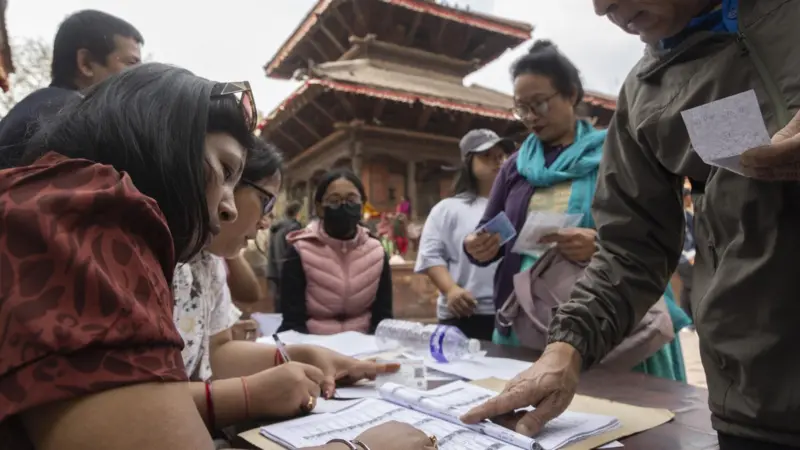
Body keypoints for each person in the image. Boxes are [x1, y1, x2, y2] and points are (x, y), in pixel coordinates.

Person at [0, 63, 432, 450]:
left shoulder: (67, 210)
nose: (227, 208)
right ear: (158, 140)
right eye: (224, 173)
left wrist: (292, 358)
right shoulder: (81, 220)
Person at [461, 2, 800, 449]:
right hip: (756, 398)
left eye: (540, 103)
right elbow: (630, 249)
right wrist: (566, 350)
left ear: (571, 96)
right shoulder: (644, 97)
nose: (603, 8)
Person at [463, 40, 689, 381]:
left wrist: (600, 244)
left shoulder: (615, 152)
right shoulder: (515, 167)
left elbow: (653, 231)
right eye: (520, 108)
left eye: (538, 103)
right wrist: (476, 244)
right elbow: (488, 232)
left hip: (604, 304)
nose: (530, 117)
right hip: (526, 311)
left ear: (570, 94)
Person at [173, 140, 402, 447]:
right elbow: (134, 402)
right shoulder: (152, 260)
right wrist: (248, 395)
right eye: (266, 202)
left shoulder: (208, 260)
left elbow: (217, 350)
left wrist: (301, 355)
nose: (267, 221)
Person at [0, 10, 143, 169]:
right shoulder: (74, 120)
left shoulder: (37, 106)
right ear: (86, 63)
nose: (141, 76)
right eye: (131, 64)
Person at [415, 129, 508, 340]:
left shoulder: (515, 206)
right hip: (462, 312)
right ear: (468, 162)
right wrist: (451, 290)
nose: (497, 162)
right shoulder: (447, 209)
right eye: (486, 156)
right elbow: (431, 255)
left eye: (500, 156)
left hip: (509, 312)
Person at [279, 169, 393, 335]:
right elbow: (293, 322)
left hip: (364, 347)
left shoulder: (376, 252)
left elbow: (383, 318)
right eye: (334, 201)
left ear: (362, 206)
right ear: (319, 208)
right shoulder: (300, 251)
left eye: (351, 199)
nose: (344, 206)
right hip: (314, 347)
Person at [267, 200, 304, 312]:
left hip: (274, 269)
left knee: (278, 304)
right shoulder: (293, 229)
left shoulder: (276, 228)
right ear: (297, 213)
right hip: (287, 270)